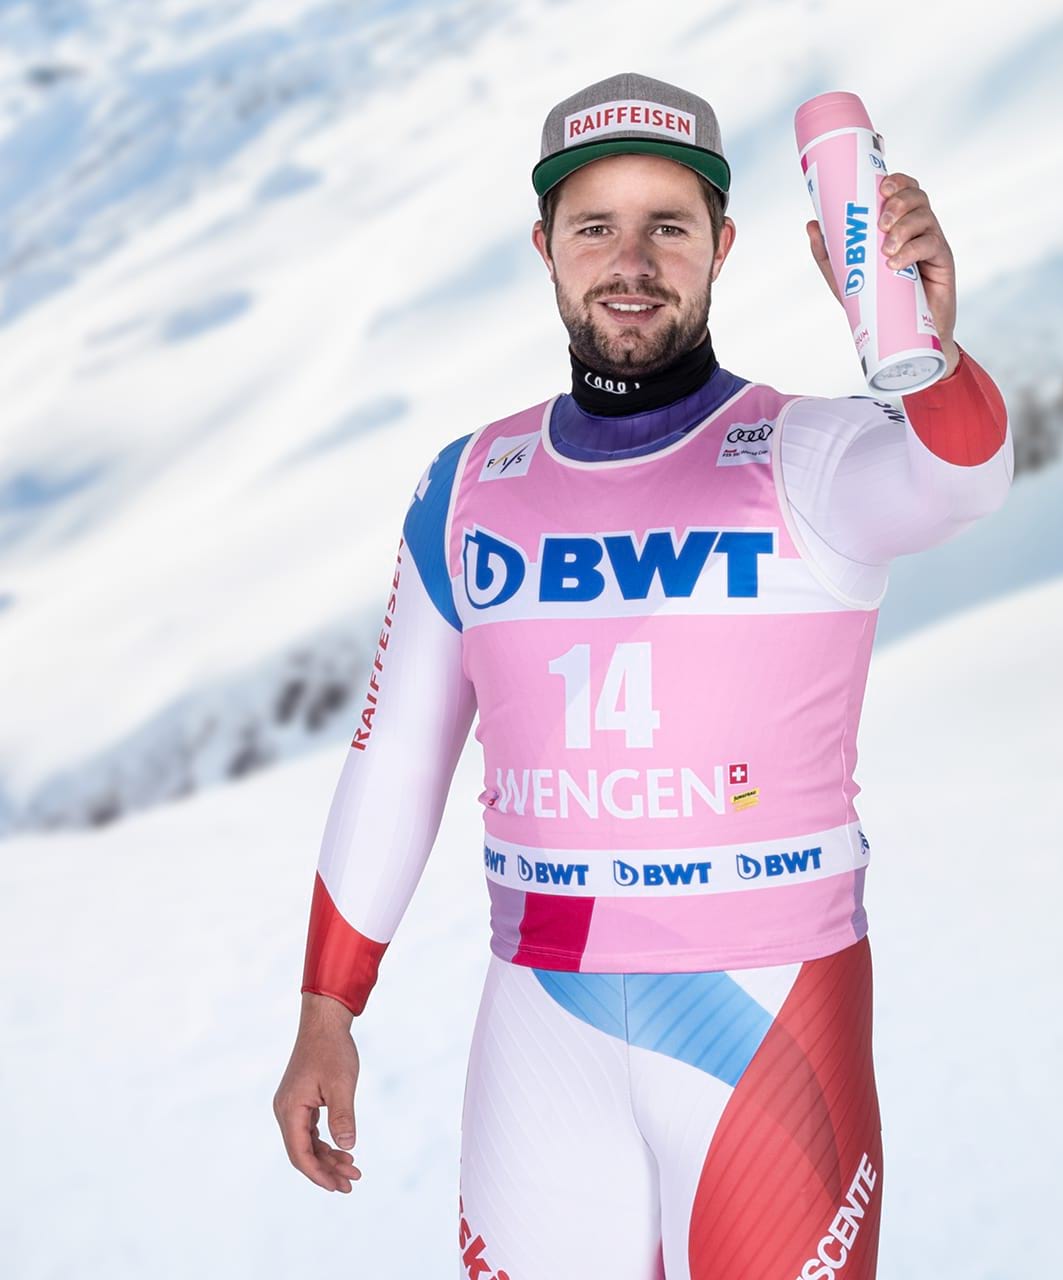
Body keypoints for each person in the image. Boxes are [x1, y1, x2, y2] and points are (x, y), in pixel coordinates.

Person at [272, 71, 1013, 1280]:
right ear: (544, 248)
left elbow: (961, 482)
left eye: (667, 226)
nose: (630, 262)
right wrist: (327, 1005)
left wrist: (925, 356)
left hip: (771, 1009)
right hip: (540, 1016)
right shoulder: (465, 484)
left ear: (722, 244)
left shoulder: (813, 454)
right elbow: (396, 756)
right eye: (593, 227)